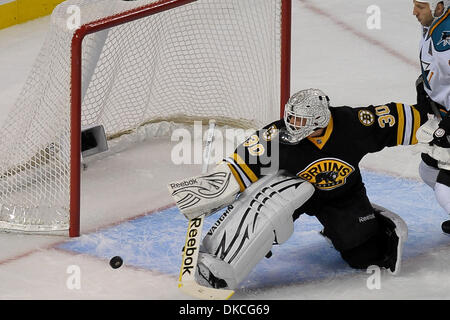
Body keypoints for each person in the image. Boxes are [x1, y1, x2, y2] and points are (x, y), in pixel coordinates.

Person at [169, 88, 430, 290]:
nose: (292, 123)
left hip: (342, 195)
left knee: (365, 258)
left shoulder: (353, 125)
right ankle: (216, 261)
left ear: (319, 120)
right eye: (290, 116)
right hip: (290, 193)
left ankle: (368, 222)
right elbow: (240, 164)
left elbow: (397, 119)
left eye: (299, 119)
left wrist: (433, 122)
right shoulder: (277, 137)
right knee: (265, 208)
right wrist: (208, 188)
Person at [413, 0, 450, 233]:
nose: (414, 12)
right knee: (429, 171)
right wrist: (425, 86)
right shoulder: (435, 25)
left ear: (439, 7)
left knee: (444, 184)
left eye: (420, 6)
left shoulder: (446, 38)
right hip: (443, 110)